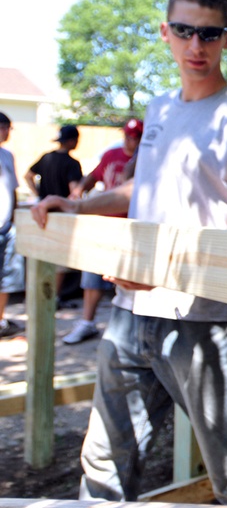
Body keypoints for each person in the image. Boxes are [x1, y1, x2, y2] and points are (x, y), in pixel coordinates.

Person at [31, 0, 227, 505]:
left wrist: (166, 268)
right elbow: (141, 187)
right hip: (129, 313)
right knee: (102, 464)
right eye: (186, 31)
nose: (197, 46)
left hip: (204, 325)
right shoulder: (161, 108)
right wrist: (76, 205)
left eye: (210, 34)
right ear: (166, 33)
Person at [62, 118, 143, 345]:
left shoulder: (147, 159)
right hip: (105, 223)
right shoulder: (111, 155)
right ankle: (87, 322)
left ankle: (126, 330)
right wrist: (78, 192)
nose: (131, 141)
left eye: (136, 137)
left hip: (133, 228)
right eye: (128, 136)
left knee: (128, 281)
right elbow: (94, 176)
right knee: (93, 276)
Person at [25, 125, 83, 303]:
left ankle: (38, 297)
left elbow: (28, 175)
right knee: (59, 258)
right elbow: (75, 192)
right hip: (60, 214)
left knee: (41, 254)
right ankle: (53, 298)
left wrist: (38, 195)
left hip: (41, 212)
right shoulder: (72, 163)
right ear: (72, 141)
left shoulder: (46, 157)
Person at [0, 112, 23, 339]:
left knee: (5, 277)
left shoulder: (7, 155)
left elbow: (12, 189)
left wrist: (14, 217)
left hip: (6, 226)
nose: (8, 133)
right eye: (7, 127)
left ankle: (1, 320)